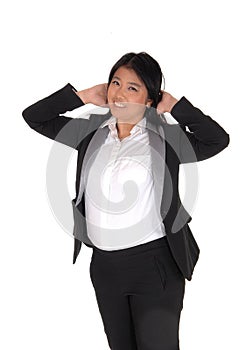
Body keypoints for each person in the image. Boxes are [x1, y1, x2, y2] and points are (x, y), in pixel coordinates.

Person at [22, 52, 230, 350]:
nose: (119, 92)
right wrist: (80, 97)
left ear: (149, 100)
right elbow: (34, 117)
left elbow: (217, 140)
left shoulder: (167, 139)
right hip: (105, 268)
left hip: (154, 265)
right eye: (116, 82)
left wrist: (176, 107)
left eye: (132, 87)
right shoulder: (89, 132)